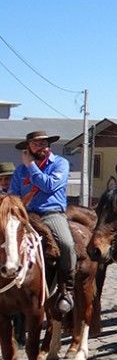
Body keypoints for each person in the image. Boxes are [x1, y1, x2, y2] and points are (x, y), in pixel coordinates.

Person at [8, 131, 74, 314]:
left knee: (67, 244)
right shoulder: (20, 171)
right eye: (36, 144)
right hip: (25, 214)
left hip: (51, 214)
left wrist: (31, 166)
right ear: (28, 147)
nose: (42, 147)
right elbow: (13, 194)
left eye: (44, 143)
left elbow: (50, 185)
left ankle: (66, 289)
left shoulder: (60, 163)